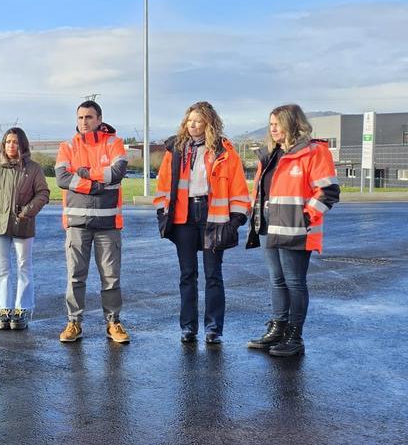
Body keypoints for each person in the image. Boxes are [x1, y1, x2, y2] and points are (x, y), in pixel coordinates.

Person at [245, 104, 339, 357]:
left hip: (295, 226)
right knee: (277, 280)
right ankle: (277, 329)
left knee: (294, 282)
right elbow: (261, 189)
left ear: (292, 123)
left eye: (277, 123)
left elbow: (329, 191)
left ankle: (294, 337)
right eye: (271, 124)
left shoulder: (314, 151)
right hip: (269, 224)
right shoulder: (271, 154)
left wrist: (306, 216)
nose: (273, 128)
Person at [154, 102, 251, 345]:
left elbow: (238, 188)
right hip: (183, 217)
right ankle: (188, 328)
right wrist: (161, 213)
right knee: (187, 275)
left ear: (209, 123)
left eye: (198, 120)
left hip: (213, 216)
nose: (193, 124)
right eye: (189, 120)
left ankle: (213, 329)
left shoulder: (225, 151)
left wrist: (236, 219)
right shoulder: (175, 150)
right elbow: (164, 185)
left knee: (213, 275)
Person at [55, 100, 131, 344]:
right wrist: (96, 185)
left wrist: (85, 173)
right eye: (80, 118)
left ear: (99, 119)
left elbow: (117, 172)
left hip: (108, 223)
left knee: (110, 276)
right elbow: (62, 178)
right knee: (76, 276)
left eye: (89, 117)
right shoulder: (67, 146)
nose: (84, 122)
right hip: (77, 222)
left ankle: (113, 322)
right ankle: (74, 322)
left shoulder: (114, 143)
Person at [0, 127, 50, 331]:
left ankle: (22, 308)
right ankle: (4, 308)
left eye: (15, 142)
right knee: (3, 268)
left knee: (24, 266)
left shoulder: (33, 168)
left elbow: (43, 193)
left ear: (22, 144)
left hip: (23, 223)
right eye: (8, 142)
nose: (11, 146)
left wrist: (27, 211)